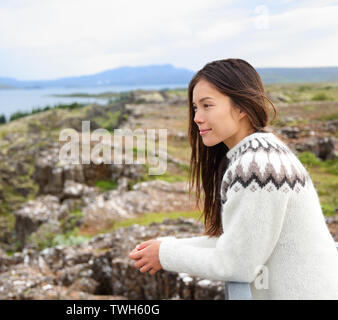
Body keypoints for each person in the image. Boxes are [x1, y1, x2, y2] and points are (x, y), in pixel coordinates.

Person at [128, 58, 338, 299]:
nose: (197, 117)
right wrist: (166, 247)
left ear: (241, 108)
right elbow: (237, 245)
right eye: (196, 107)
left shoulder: (256, 168)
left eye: (207, 105)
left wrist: (165, 254)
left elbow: (237, 264)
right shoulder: (263, 153)